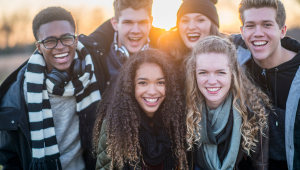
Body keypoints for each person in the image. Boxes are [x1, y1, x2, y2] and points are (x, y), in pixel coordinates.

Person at [0, 7, 109, 170]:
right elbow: (10, 158)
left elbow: (123, 22)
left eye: (66, 38)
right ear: (38, 46)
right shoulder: (19, 95)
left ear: (76, 39)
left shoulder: (92, 76)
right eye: (50, 41)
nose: (60, 46)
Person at [232, 0, 300, 169]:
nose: (258, 33)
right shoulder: (235, 61)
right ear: (242, 31)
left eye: (267, 25)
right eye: (250, 26)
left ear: (282, 31)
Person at [93, 49, 187, 170]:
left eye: (160, 82)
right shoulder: (114, 125)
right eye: (143, 83)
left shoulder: (176, 122)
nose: (152, 91)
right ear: (131, 86)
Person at [185, 36, 270, 170]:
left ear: (232, 74)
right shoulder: (184, 112)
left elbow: (260, 166)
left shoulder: (253, 113)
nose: (212, 81)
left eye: (220, 72)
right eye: (203, 73)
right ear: (194, 74)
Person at [158, 0, 223, 67]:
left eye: (200, 20)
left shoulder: (230, 59)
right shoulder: (164, 60)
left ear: (212, 25)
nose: (191, 27)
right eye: (185, 21)